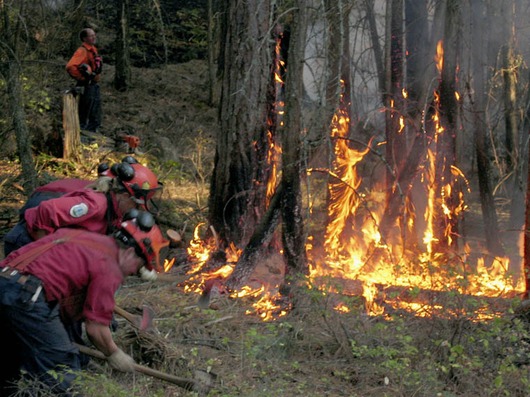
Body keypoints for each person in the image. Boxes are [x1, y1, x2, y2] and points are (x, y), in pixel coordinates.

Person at [0, 210, 169, 396]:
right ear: (130, 253)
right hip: (27, 298)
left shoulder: (86, 238)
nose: (133, 273)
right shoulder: (110, 267)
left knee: (11, 358)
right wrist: (114, 353)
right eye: (138, 267)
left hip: (6, 282)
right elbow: (95, 329)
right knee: (63, 371)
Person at [3, 161, 162, 256]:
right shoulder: (95, 204)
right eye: (137, 205)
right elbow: (47, 211)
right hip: (25, 243)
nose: (137, 210)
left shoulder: (113, 208)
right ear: (125, 196)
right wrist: (46, 249)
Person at [66, 28, 103, 133]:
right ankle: (82, 135)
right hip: (87, 85)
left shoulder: (93, 49)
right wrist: (82, 78)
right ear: (84, 38)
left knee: (95, 112)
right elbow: (70, 66)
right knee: (85, 111)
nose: (94, 37)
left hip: (93, 84)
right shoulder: (82, 51)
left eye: (94, 35)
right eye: (91, 35)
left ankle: (92, 133)